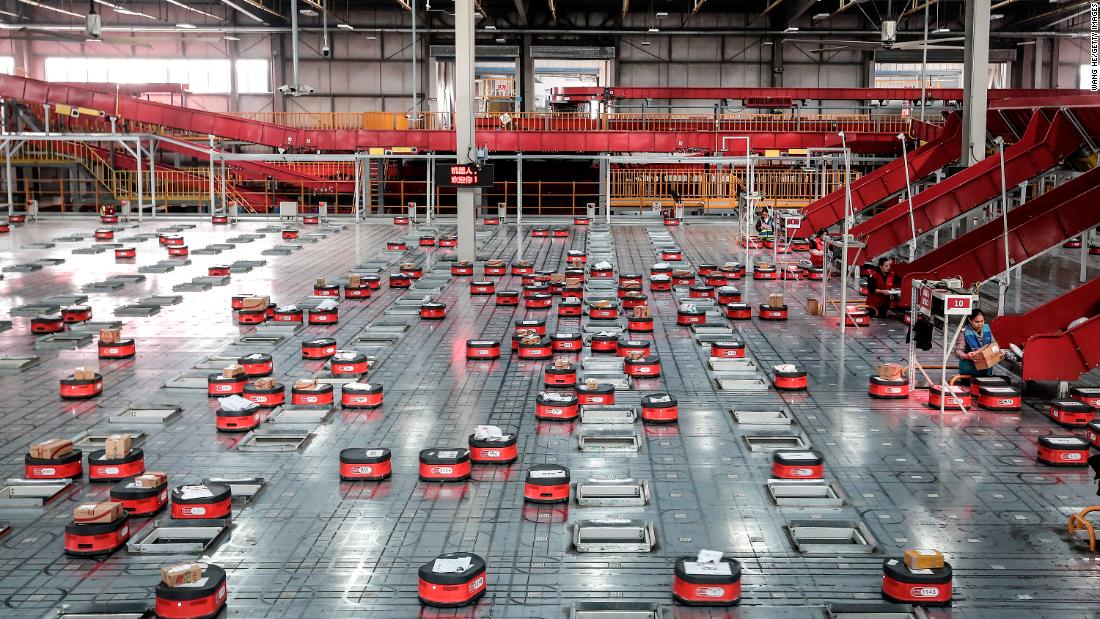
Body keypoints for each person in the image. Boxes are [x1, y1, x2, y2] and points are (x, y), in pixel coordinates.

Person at [955, 308, 995, 377]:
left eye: (982, 321)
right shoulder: (964, 332)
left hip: (987, 370)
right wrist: (966, 356)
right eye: (977, 322)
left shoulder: (987, 328)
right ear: (970, 320)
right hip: (969, 371)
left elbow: (994, 344)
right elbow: (957, 351)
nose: (980, 324)